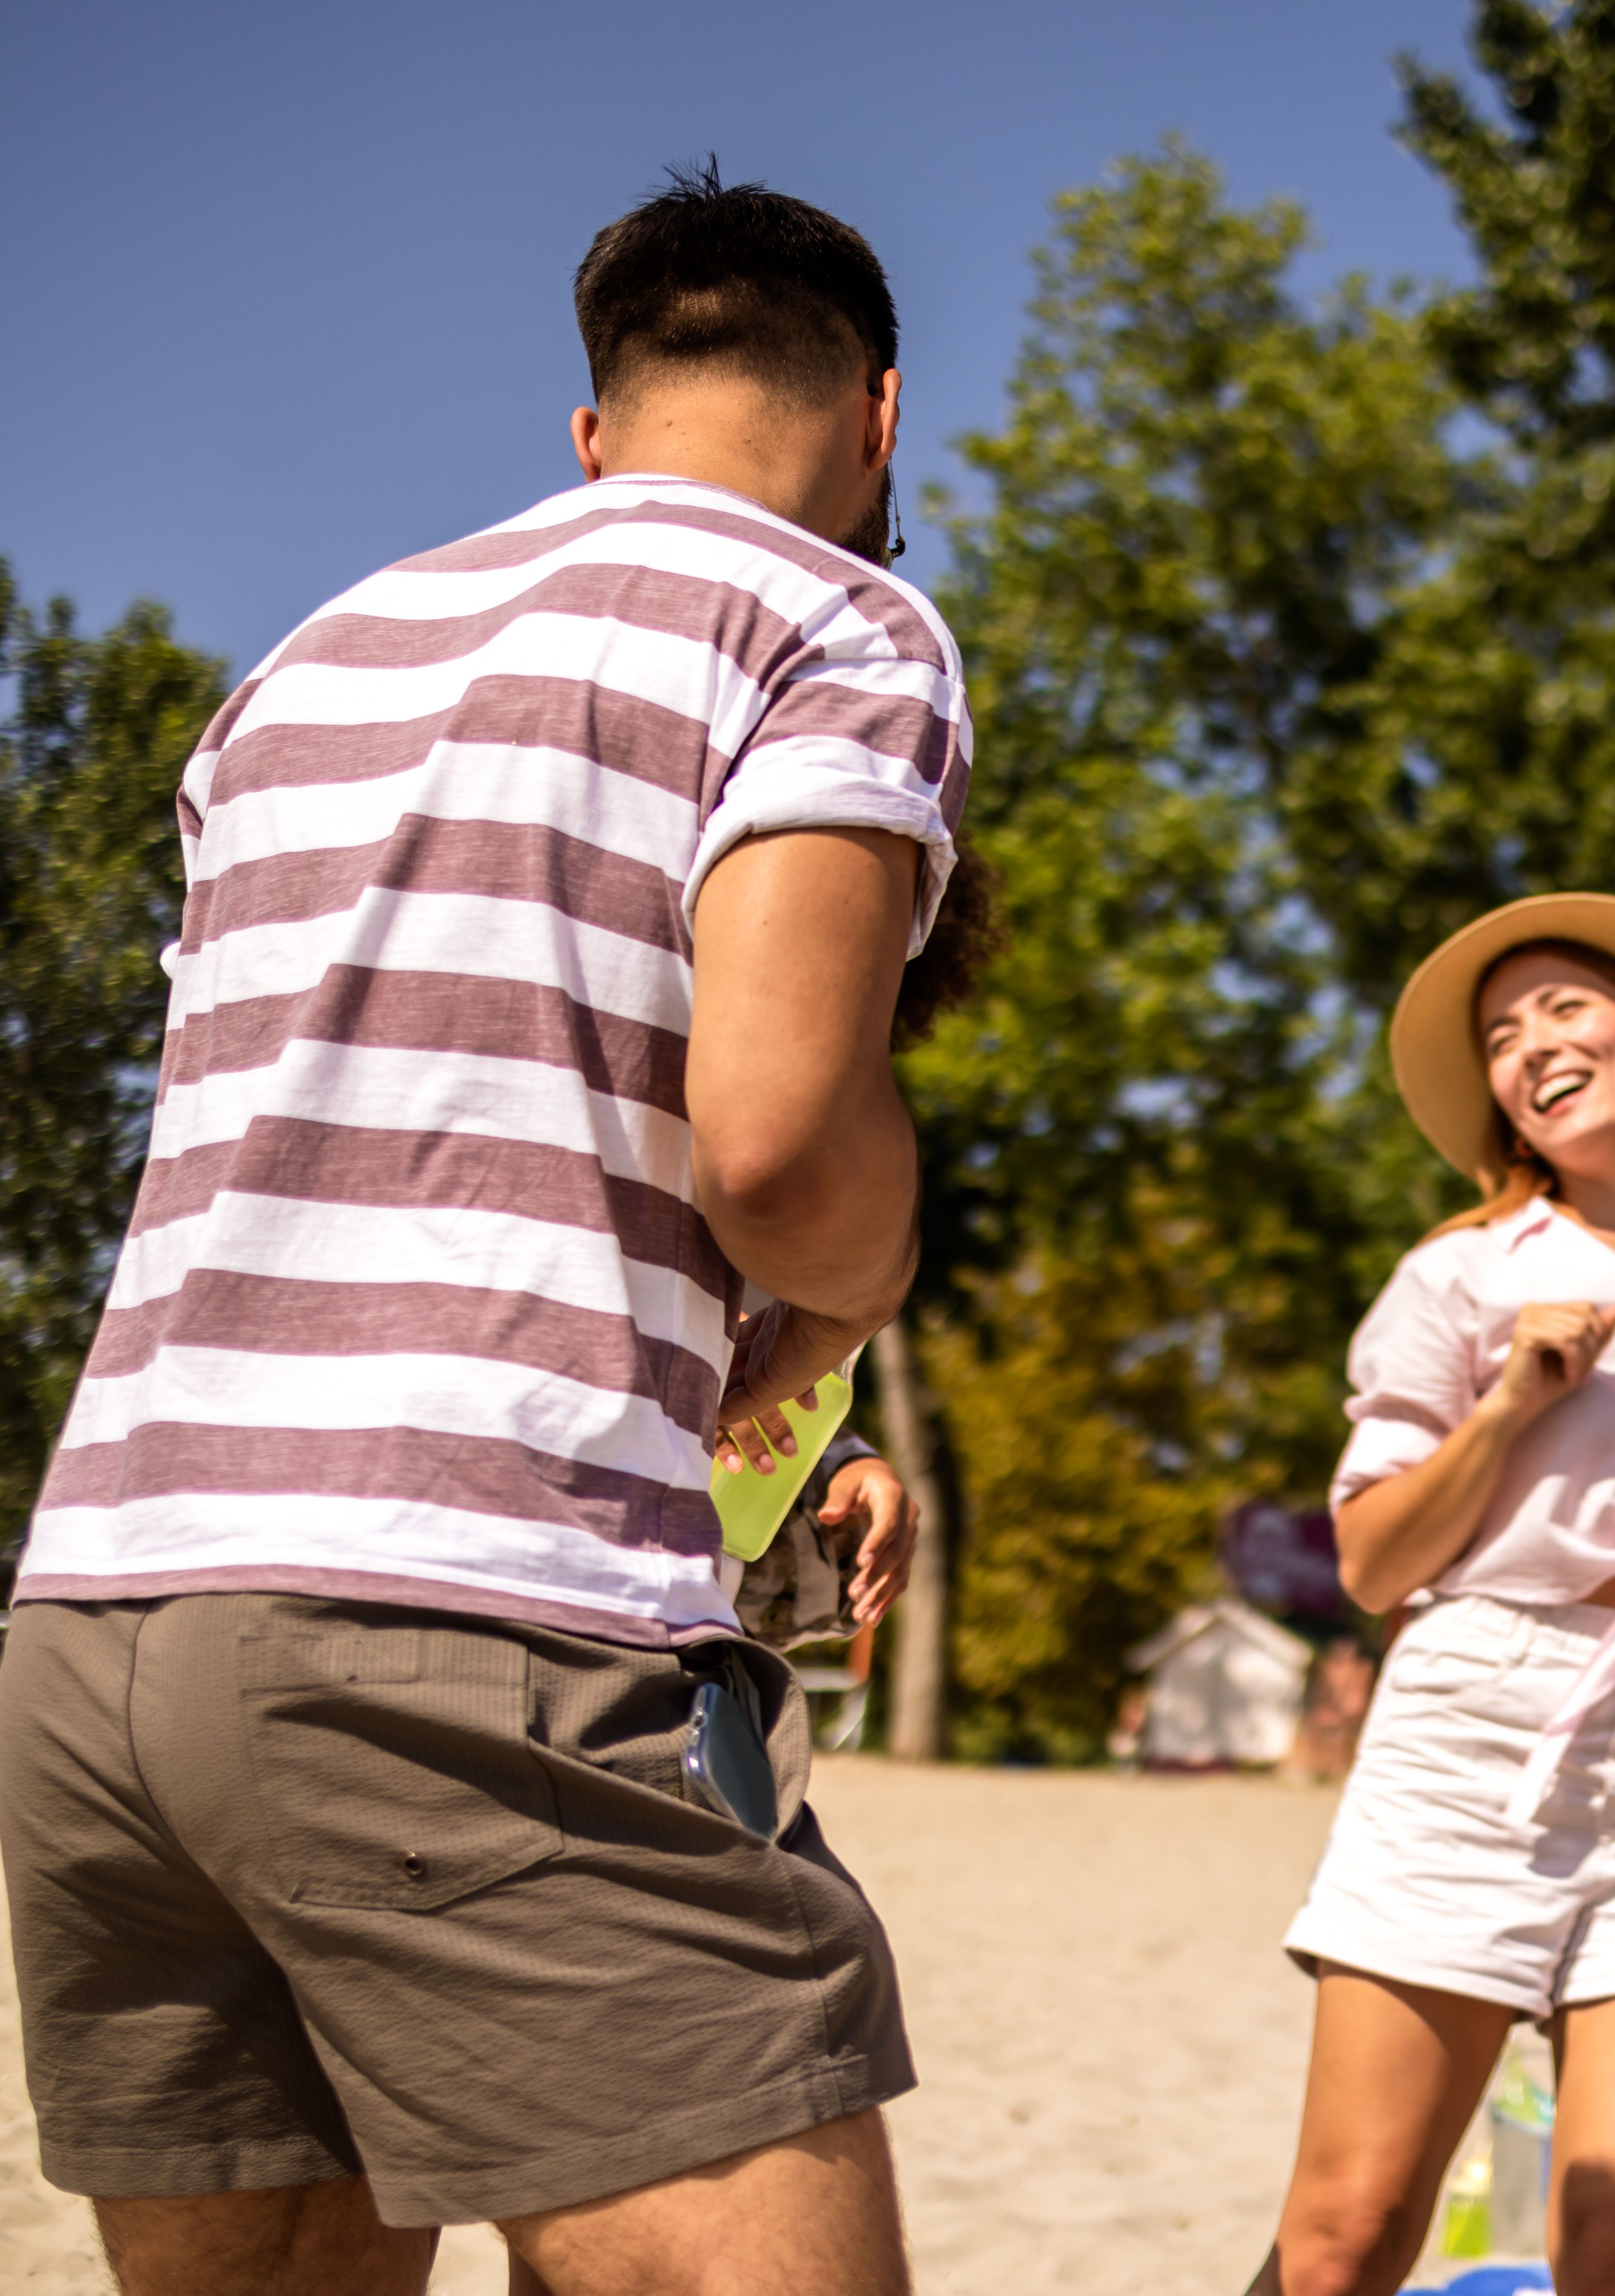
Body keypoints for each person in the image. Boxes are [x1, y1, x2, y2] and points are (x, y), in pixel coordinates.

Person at [0, 167, 965, 2296]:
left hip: (102, 1630)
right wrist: (862, 1273)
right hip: (459, 1620)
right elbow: (784, 1143)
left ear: (593, 430)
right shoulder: (830, 619)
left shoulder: (309, 658)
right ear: (882, 418)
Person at [1253, 894, 1615, 2296]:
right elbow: (1372, 1562)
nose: (1531, 1046)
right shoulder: (1463, 1276)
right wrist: (1512, 1401)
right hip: (1473, 1732)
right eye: (1502, 1037)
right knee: (1350, 2231)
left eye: (1565, 1007)